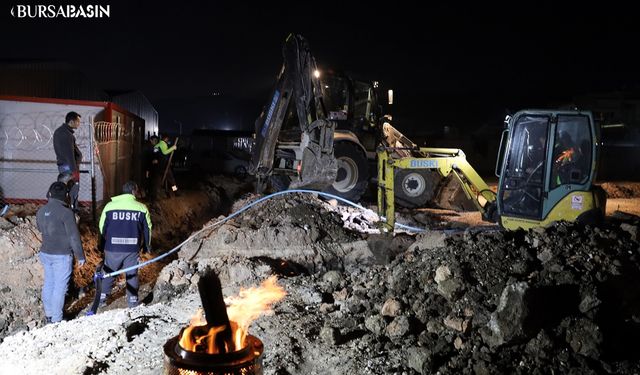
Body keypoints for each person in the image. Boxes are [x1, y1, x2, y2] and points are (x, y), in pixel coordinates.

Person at [36, 182, 85, 323]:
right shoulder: (66, 213)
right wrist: (80, 256)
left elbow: (39, 227)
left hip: (45, 253)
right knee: (60, 287)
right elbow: (74, 236)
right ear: (66, 196)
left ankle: (49, 315)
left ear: (49, 194)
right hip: (61, 255)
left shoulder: (40, 211)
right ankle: (56, 320)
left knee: (49, 283)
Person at [98, 181, 152, 309]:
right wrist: (147, 246)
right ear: (134, 191)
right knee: (132, 273)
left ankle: (102, 299)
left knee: (109, 272)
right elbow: (148, 229)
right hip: (131, 249)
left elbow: (102, 227)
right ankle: (132, 302)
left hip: (112, 248)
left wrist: (101, 244)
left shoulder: (110, 206)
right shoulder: (141, 208)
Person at [53, 111, 83, 212]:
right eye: (78, 121)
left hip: (66, 166)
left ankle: (67, 208)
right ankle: (72, 209)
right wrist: (74, 171)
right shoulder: (66, 134)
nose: (79, 124)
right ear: (71, 121)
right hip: (69, 167)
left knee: (66, 188)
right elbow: (69, 154)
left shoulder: (61, 132)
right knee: (73, 187)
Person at [142, 135, 160, 202]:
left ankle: (152, 197)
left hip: (154, 170)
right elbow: (145, 159)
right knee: (149, 183)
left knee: (153, 183)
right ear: (151, 140)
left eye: (156, 141)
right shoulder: (147, 148)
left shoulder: (155, 148)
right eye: (154, 140)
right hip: (150, 169)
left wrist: (156, 160)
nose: (155, 142)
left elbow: (157, 156)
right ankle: (150, 197)